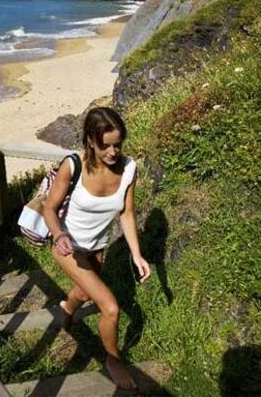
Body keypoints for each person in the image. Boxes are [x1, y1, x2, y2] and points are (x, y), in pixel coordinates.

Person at [42, 106, 151, 390]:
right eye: (106, 146)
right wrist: (58, 235)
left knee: (82, 291)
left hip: (97, 247)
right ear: (91, 140)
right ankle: (113, 361)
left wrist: (137, 255)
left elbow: (126, 214)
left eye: (118, 144)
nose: (113, 152)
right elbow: (49, 208)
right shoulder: (73, 165)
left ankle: (65, 312)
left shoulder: (128, 169)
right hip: (68, 247)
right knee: (110, 307)